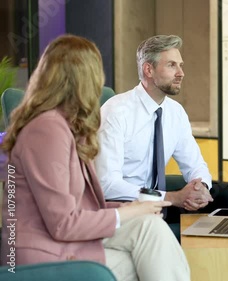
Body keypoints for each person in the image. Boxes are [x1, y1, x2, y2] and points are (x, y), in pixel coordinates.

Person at [0, 35, 190, 281]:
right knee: (148, 241)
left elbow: (81, 207)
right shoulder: (47, 130)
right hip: (43, 256)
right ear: (82, 79)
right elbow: (64, 223)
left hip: (62, 244)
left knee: (149, 233)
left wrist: (131, 208)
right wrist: (130, 213)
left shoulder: (61, 125)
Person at [95, 35, 228, 225]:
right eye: (172, 65)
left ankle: (205, 253)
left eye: (180, 65)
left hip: (161, 199)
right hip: (128, 202)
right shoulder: (116, 112)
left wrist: (200, 186)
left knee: (226, 196)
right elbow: (107, 184)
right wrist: (171, 197)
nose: (181, 73)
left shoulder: (175, 112)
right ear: (149, 69)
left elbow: (195, 164)